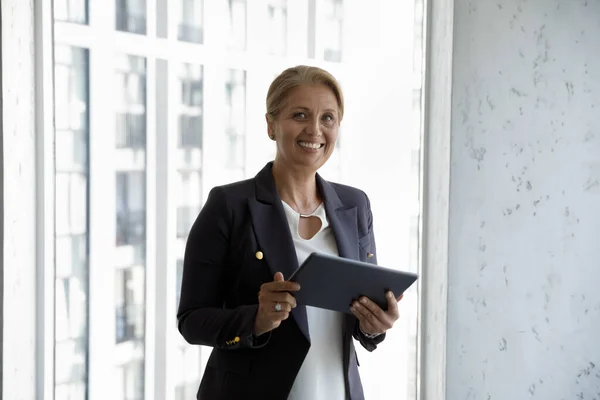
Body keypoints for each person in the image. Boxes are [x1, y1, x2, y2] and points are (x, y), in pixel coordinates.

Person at [177, 65, 403, 400]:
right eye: (300, 115)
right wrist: (257, 319)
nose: (315, 129)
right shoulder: (229, 205)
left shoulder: (355, 206)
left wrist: (374, 325)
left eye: (328, 118)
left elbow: (361, 313)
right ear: (271, 125)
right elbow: (191, 320)